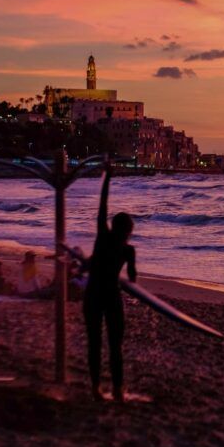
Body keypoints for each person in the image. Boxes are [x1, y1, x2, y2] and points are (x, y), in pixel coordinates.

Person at [84, 161, 137, 402]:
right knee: (115, 345)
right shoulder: (129, 251)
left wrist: (107, 177)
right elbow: (133, 279)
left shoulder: (103, 237)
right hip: (112, 296)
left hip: (93, 294)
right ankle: (117, 389)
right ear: (129, 231)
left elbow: (101, 208)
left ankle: (95, 387)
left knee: (94, 342)